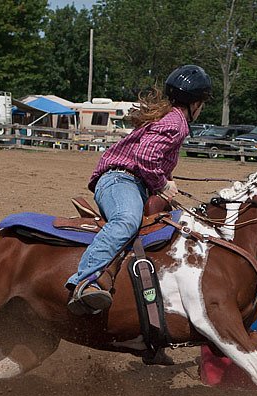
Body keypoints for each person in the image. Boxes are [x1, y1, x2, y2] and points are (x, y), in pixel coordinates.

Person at [66, 64, 213, 315]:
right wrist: (162, 184)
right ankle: (84, 281)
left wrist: (165, 182)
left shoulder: (171, 118)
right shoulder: (176, 123)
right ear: (196, 103)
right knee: (126, 221)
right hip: (120, 181)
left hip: (132, 183)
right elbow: (145, 156)